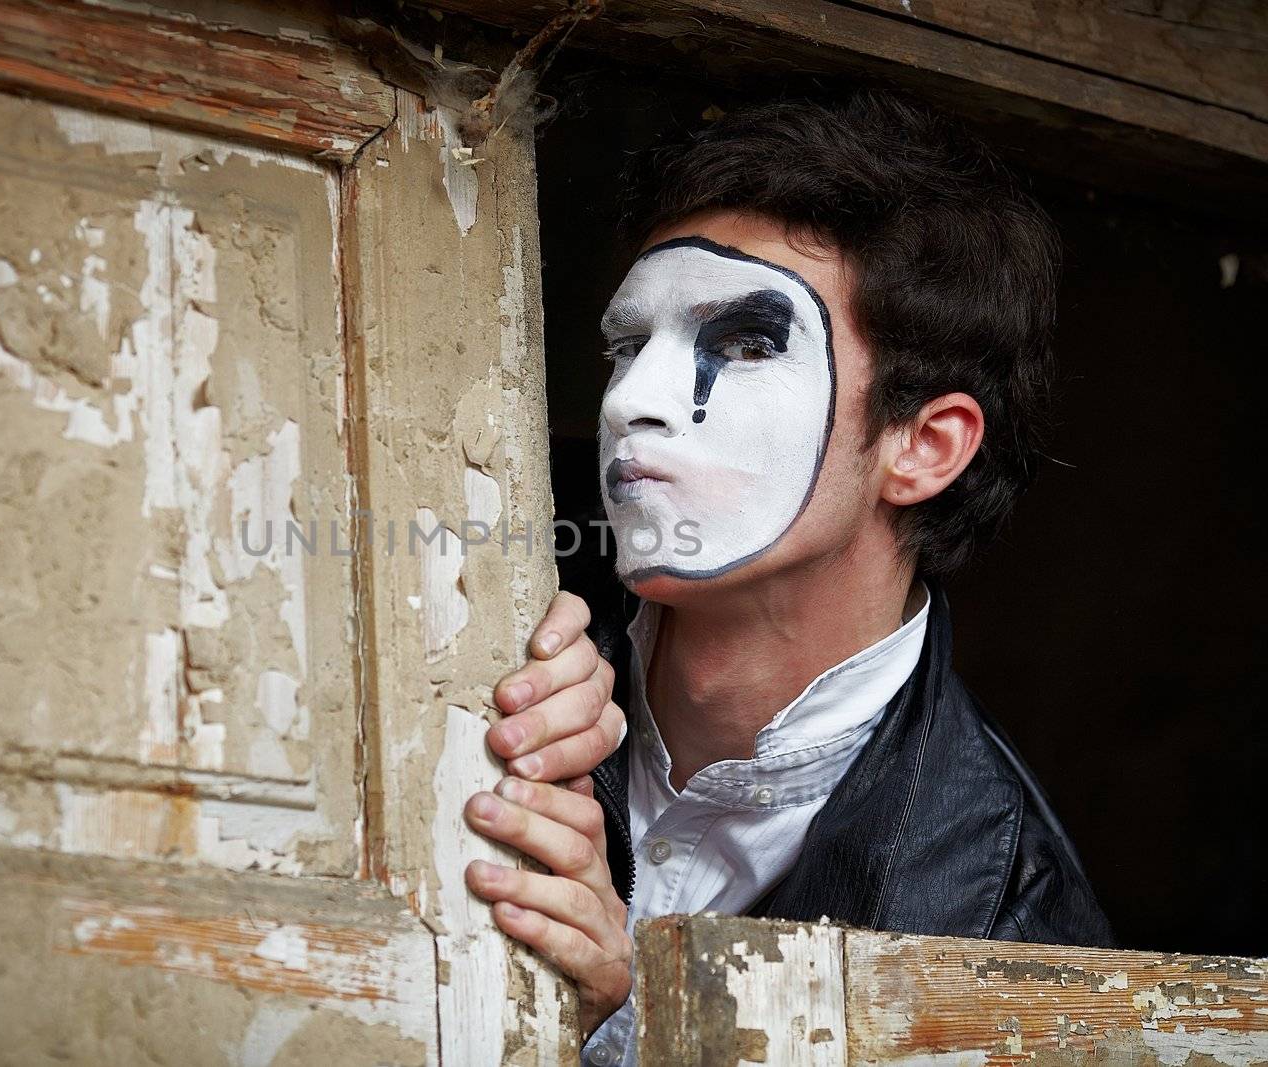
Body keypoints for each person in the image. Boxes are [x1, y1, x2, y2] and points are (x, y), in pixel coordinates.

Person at [459, 86, 1115, 1065]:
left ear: (922, 447)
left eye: (747, 342)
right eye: (626, 344)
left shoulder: (1015, 934)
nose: (633, 399)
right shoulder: (477, 575)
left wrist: (612, 1031)